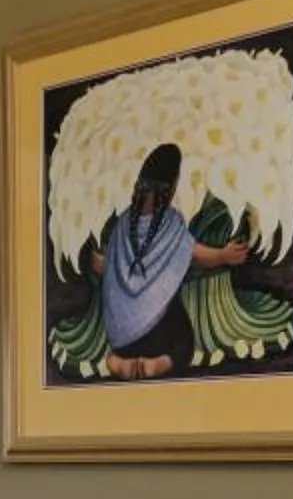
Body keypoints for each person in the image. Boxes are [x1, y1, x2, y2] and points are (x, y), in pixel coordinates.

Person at [82, 144, 250, 379]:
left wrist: (101, 263)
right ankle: (159, 363)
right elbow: (197, 254)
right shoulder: (171, 221)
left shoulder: (122, 224)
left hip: (124, 338)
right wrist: (223, 255)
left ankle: (119, 361)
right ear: (170, 189)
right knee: (183, 342)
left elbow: (106, 264)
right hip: (162, 336)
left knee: (127, 341)